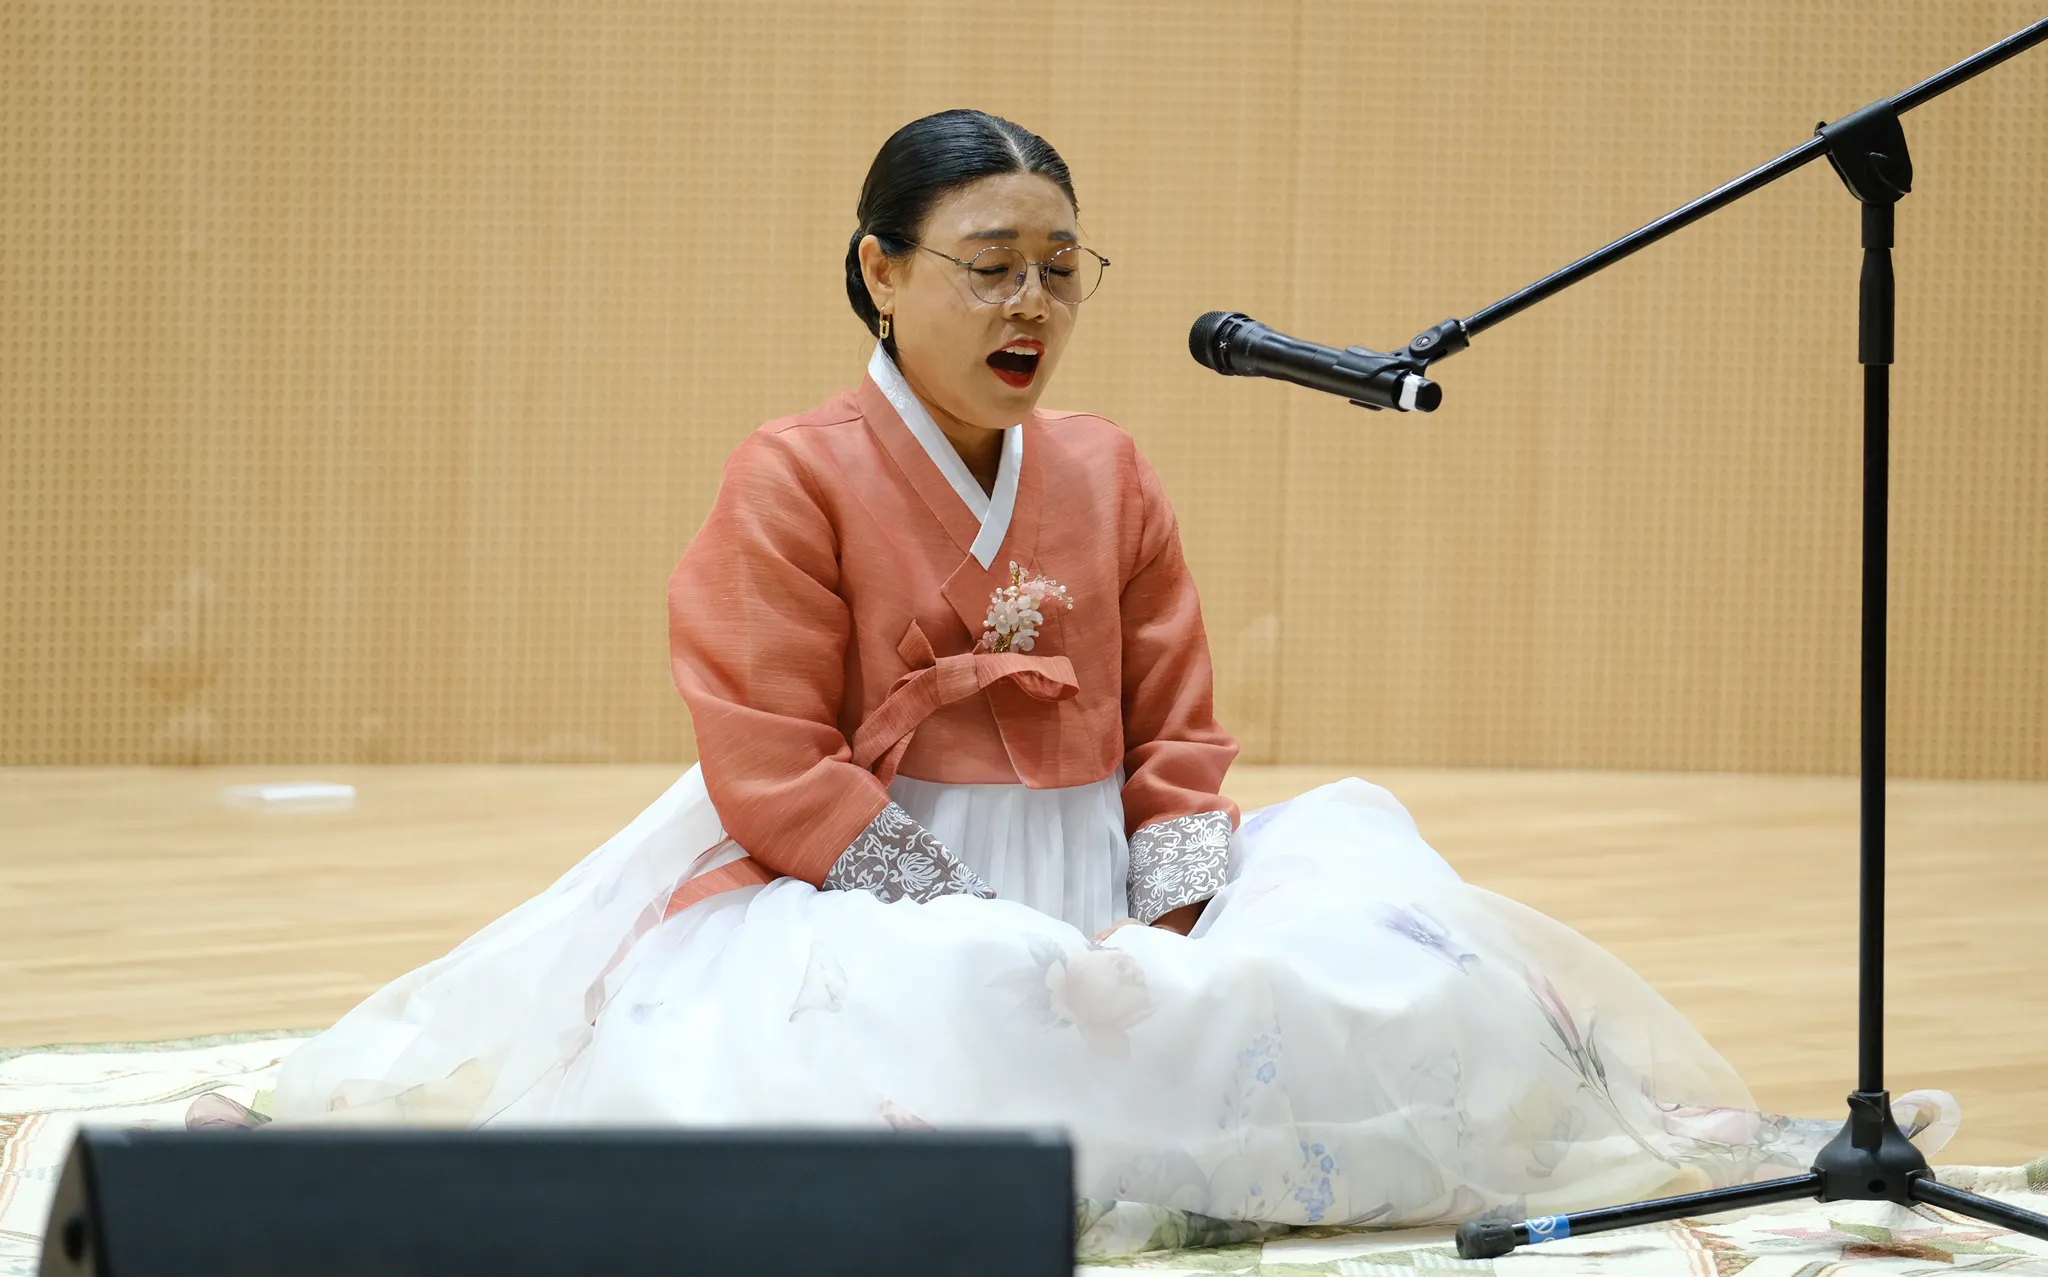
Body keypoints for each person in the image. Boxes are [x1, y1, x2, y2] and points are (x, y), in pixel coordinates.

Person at [261, 110, 1954, 1231]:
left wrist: (1166, 933)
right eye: (989, 266)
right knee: (948, 1026)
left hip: (1101, 876)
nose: (1033, 305)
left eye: (1060, 270)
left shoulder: (1106, 469)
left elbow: (1175, 729)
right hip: (859, 886)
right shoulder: (793, 474)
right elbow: (767, 751)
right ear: (881, 270)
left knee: (1375, 953)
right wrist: (957, 920)